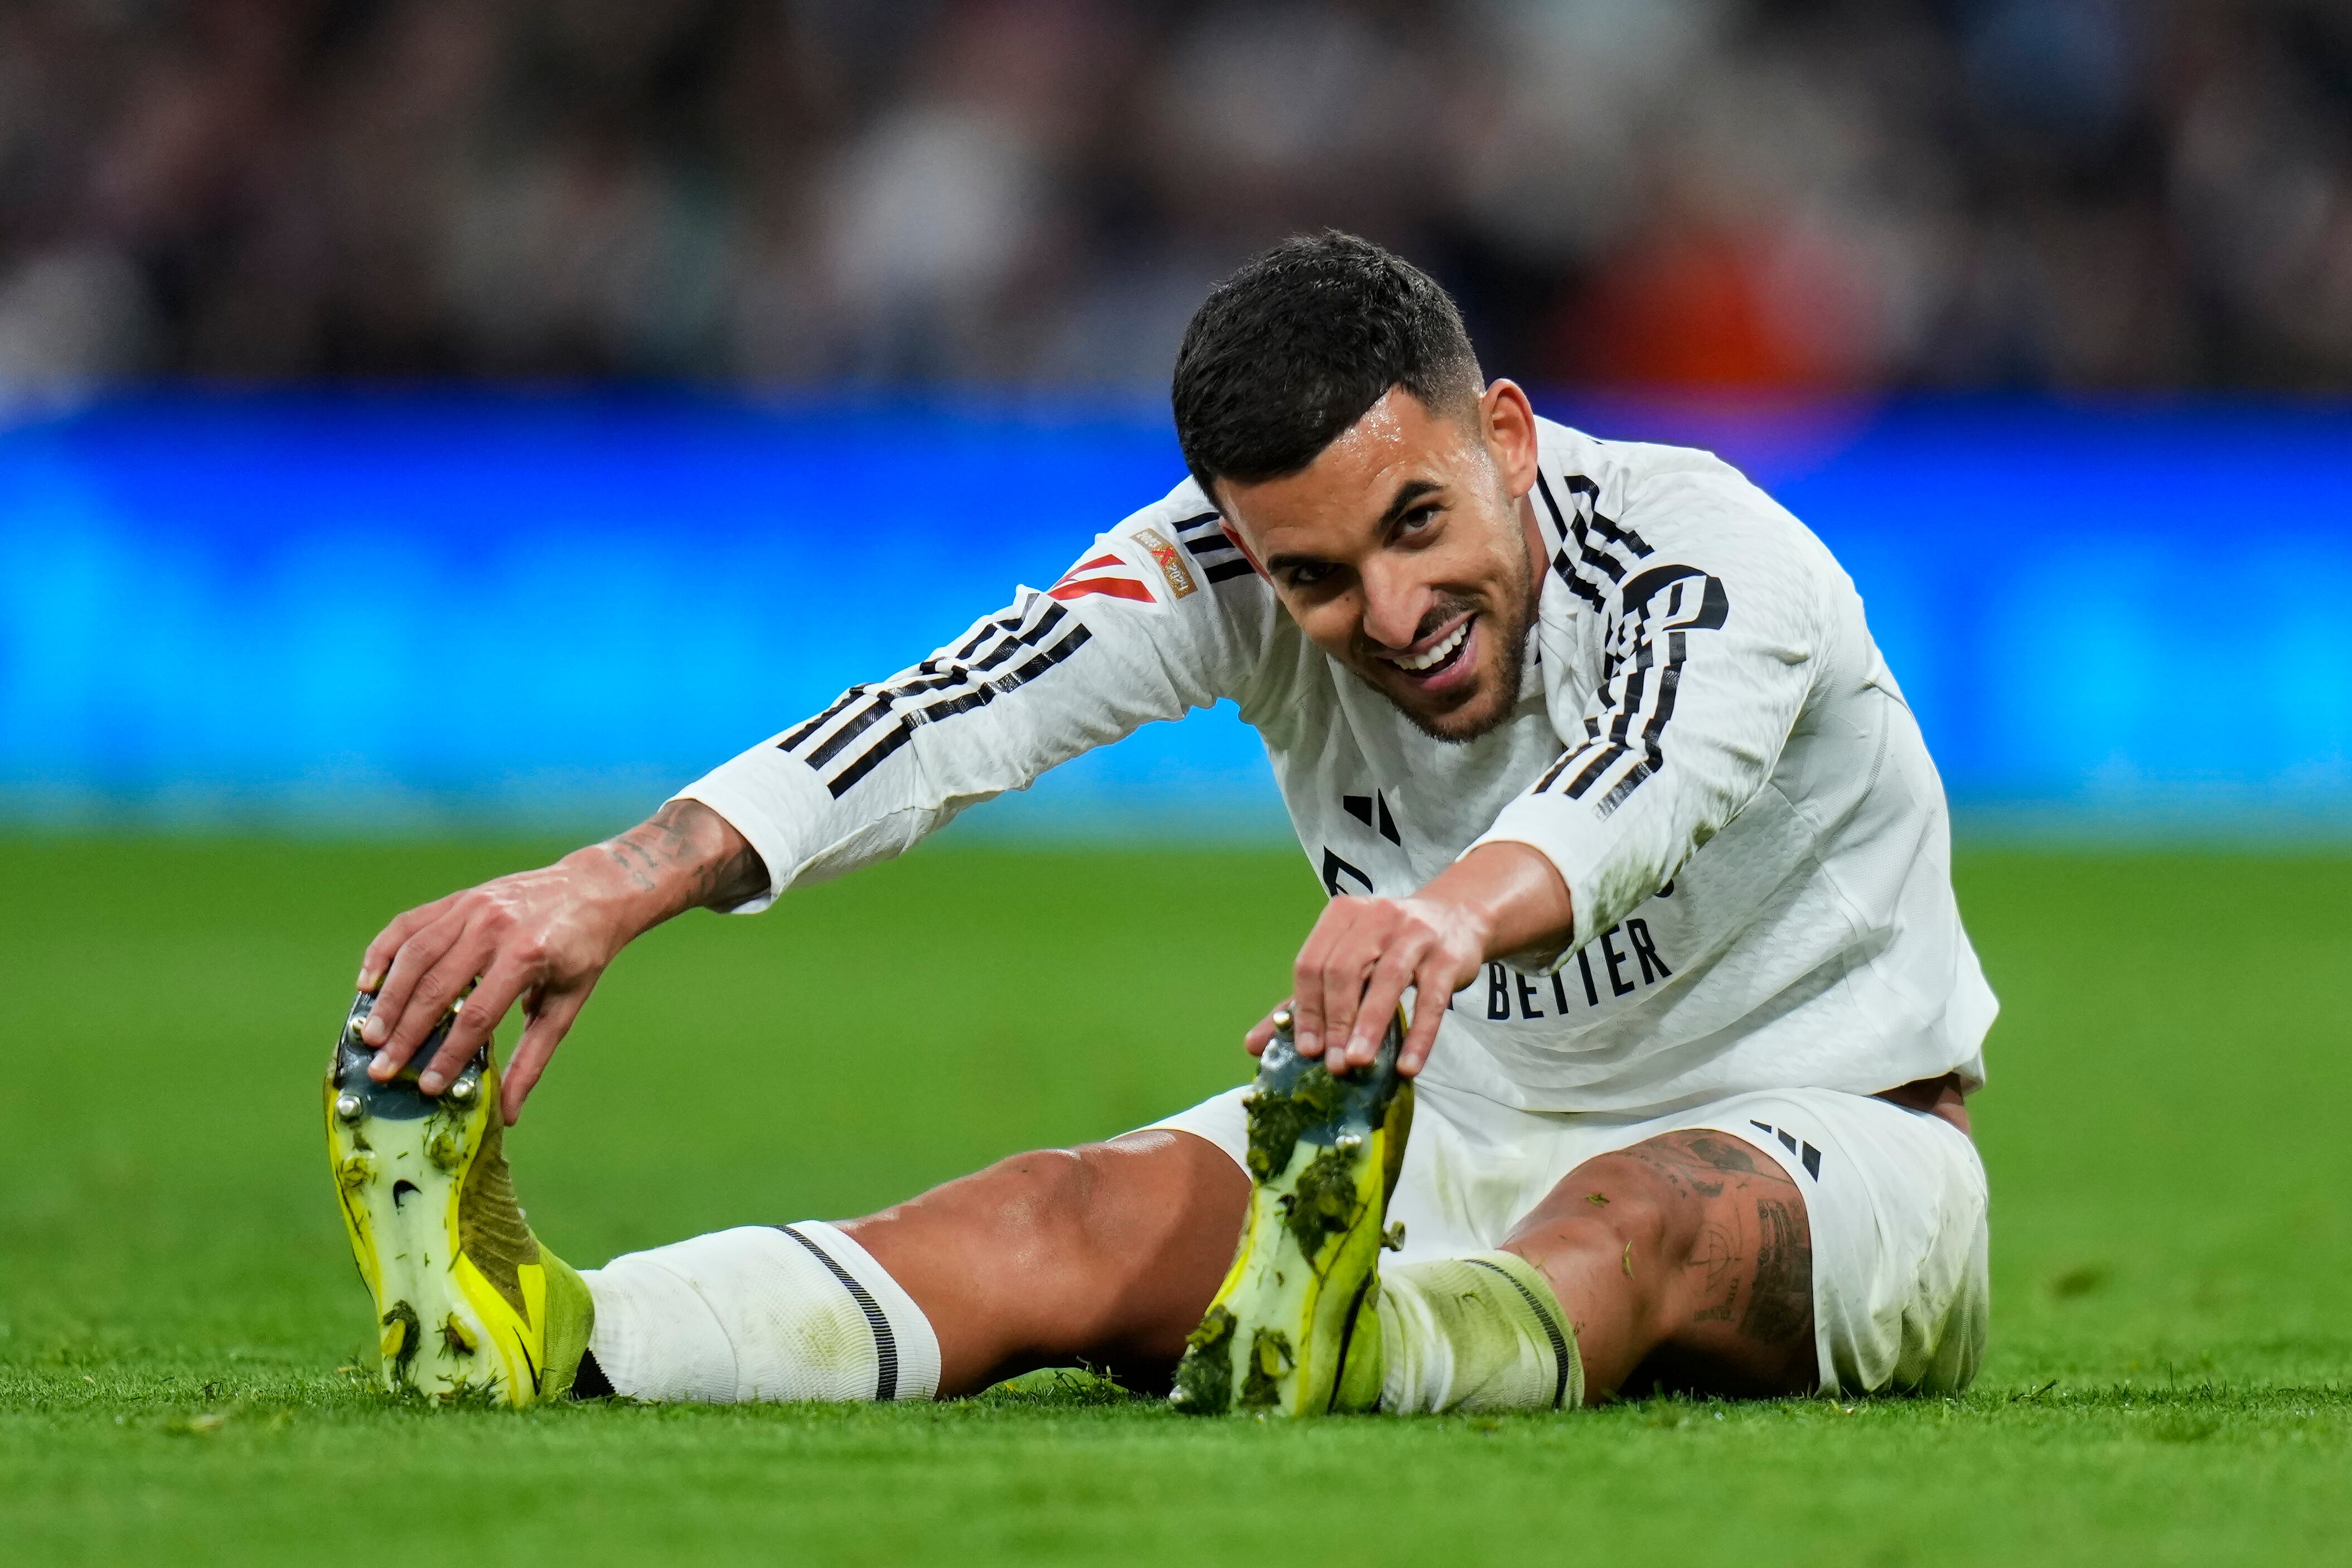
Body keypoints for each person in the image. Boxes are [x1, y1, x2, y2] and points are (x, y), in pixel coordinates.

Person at [325, 232, 1993, 1416]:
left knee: (1642, 1226)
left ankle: (1362, 1342)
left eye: (1418, 523)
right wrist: (613, 883)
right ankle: (568, 1334)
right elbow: (952, 707)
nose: (1395, 608)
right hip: (1431, 1129)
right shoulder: (1218, 559)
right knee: (1066, 1213)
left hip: (1831, 1139)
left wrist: (1443, 918)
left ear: (1502, 435)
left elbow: (1644, 778)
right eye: (1316, 575)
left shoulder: (1718, 559)